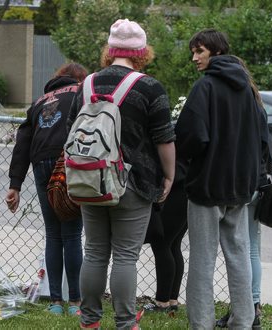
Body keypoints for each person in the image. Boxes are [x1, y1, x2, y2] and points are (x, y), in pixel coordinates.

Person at [68, 19, 176, 329]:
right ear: (142, 52)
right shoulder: (149, 86)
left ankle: (89, 320)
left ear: (109, 50)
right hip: (134, 182)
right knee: (126, 256)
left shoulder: (86, 84)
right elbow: (164, 139)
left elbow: (70, 132)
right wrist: (168, 176)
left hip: (91, 180)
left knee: (95, 251)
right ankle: (126, 322)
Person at [175, 29, 266, 329]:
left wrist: (185, 166)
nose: (194, 57)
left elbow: (190, 136)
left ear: (215, 51)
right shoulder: (248, 89)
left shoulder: (206, 88)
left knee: (202, 260)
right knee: (239, 256)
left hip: (207, 187)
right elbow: (260, 137)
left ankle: (201, 324)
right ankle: (243, 320)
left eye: (199, 51)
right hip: (240, 188)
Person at [6, 63, 88, 315]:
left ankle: (55, 302)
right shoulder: (81, 92)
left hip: (41, 162)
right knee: (72, 234)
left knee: (53, 234)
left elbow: (23, 142)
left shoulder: (39, 101)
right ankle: (75, 302)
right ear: (79, 79)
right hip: (69, 162)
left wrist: (15, 184)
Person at [215, 56, 270, 329]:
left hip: (243, 183)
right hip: (257, 182)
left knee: (243, 249)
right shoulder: (257, 104)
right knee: (251, 248)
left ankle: (248, 307)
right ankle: (250, 307)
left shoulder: (241, 104)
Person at [143, 160, 188, 314]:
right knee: (173, 244)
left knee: (162, 243)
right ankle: (171, 300)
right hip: (186, 184)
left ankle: (162, 302)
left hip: (176, 185)